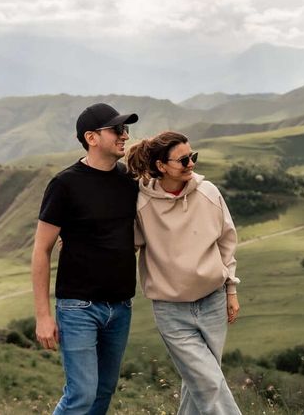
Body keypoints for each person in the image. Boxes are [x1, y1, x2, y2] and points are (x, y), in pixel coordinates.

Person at [32, 103, 139, 415]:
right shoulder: (64, 184)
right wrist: (43, 316)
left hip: (121, 306)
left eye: (125, 129)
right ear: (91, 138)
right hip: (78, 307)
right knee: (81, 394)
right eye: (116, 130)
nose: (125, 135)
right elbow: (41, 250)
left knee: (103, 392)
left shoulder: (128, 180)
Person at [127, 131, 242, 415]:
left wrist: (231, 289)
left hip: (213, 300)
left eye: (193, 157)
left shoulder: (208, 192)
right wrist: (81, 237)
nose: (191, 164)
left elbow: (227, 242)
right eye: (183, 160)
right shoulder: (142, 203)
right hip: (171, 310)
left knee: (200, 383)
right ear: (161, 166)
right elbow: (126, 242)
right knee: (208, 383)